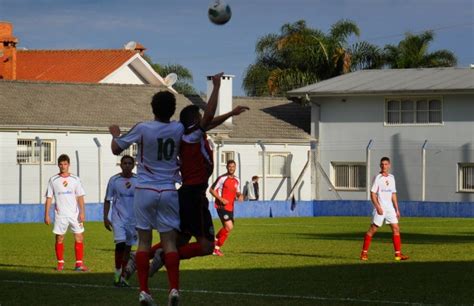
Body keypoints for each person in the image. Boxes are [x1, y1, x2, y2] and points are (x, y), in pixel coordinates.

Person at [146, 74, 249, 276]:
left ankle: (138, 258)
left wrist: (231, 113)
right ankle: (164, 257)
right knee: (206, 247)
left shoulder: (189, 133)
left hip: (187, 193)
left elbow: (210, 121)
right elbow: (209, 116)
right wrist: (217, 86)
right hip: (194, 195)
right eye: (200, 117)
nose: (204, 119)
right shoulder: (192, 134)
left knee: (180, 240)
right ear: (195, 120)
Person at [109, 90, 184, 306]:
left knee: (143, 242)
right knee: (169, 243)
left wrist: (115, 133)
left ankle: (144, 292)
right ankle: (173, 289)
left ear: (153, 109)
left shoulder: (143, 128)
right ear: (172, 109)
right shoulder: (178, 127)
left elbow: (116, 148)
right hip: (169, 190)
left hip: (145, 189)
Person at [44, 154, 88, 272]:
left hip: (75, 214)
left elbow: (80, 197)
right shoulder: (53, 180)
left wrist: (82, 212)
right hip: (60, 215)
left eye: (65, 164)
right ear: (58, 165)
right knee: (59, 238)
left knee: (79, 236)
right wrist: (46, 214)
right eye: (61, 164)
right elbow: (49, 197)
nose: (63, 166)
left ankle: (79, 264)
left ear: (69, 165)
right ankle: (60, 263)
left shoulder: (75, 179)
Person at [360, 157, 409, 261]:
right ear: (380, 165)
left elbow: (393, 194)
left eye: (386, 164)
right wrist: (378, 207)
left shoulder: (392, 177)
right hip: (380, 208)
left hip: (390, 208)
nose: (384, 166)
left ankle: (398, 255)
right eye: (382, 164)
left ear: (389, 165)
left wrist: (397, 209)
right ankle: (364, 253)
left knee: (396, 228)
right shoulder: (378, 178)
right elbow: (372, 194)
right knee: (373, 230)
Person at [103, 155, 138, 287]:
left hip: (133, 220)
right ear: (121, 165)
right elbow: (107, 199)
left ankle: (123, 276)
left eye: (130, 163)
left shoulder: (139, 180)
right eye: (125, 163)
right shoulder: (114, 180)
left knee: (128, 248)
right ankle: (117, 273)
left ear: (133, 165)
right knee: (120, 245)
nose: (127, 165)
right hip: (118, 218)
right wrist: (105, 217)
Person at [210, 160, 244, 256]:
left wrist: (240, 195)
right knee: (229, 226)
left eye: (233, 166)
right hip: (221, 206)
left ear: (235, 167)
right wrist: (221, 199)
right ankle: (216, 247)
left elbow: (237, 191)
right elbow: (211, 190)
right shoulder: (222, 178)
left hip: (230, 207)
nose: (231, 168)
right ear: (227, 167)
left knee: (227, 228)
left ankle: (215, 245)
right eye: (230, 166)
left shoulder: (237, 179)